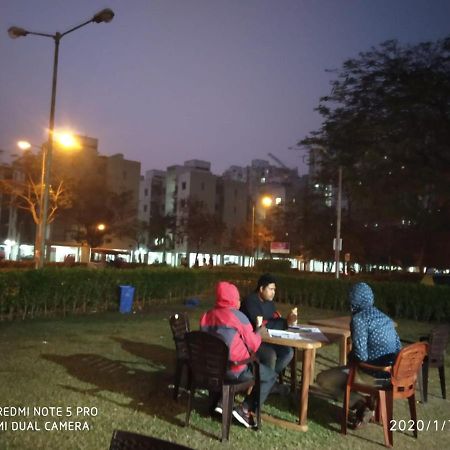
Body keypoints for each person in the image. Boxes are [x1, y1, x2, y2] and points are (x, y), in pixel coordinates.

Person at [316, 282, 402, 428]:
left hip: (372, 377)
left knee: (324, 379)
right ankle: (365, 404)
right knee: (345, 371)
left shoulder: (359, 320)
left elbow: (360, 356)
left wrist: (349, 361)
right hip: (391, 375)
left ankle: (361, 403)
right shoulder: (385, 318)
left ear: (352, 301)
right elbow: (399, 347)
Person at [200, 281, 277, 428]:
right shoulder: (238, 317)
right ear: (233, 299)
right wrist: (258, 333)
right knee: (270, 376)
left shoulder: (206, 316)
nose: (239, 301)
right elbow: (254, 345)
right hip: (234, 370)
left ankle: (221, 402)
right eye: (237, 298)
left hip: (211, 369)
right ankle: (245, 409)